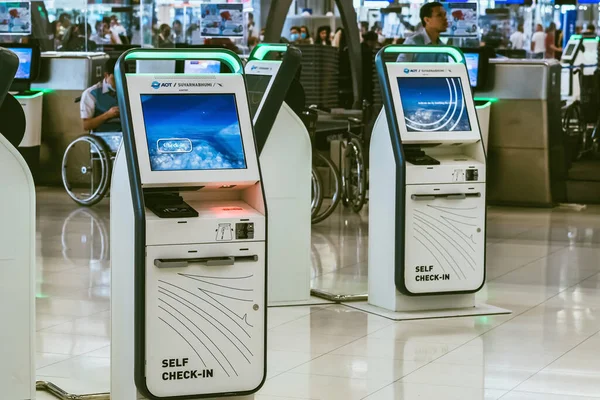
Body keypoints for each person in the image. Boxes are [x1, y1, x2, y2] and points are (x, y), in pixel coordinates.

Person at [80, 58, 120, 132]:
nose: (118, 83)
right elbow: (86, 125)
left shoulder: (127, 90)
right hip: (103, 136)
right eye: (115, 79)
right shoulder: (91, 94)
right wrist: (107, 115)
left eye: (122, 79)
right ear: (106, 75)